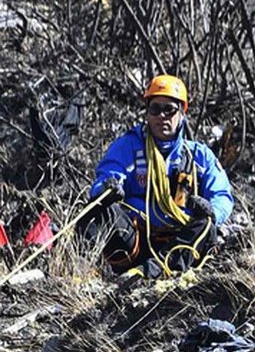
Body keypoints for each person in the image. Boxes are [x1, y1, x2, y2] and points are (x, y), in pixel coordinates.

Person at [85, 75, 234, 276]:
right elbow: (105, 178)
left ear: (182, 112)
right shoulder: (128, 146)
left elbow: (222, 195)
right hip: (136, 241)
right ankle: (86, 271)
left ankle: (154, 271)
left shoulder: (199, 155)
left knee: (207, 224)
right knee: (99, 209)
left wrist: (213, 210)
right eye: (155, 109)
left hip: (180, 243)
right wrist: (107, 188)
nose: (162, 116)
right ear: (147, 113)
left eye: (169, 110)